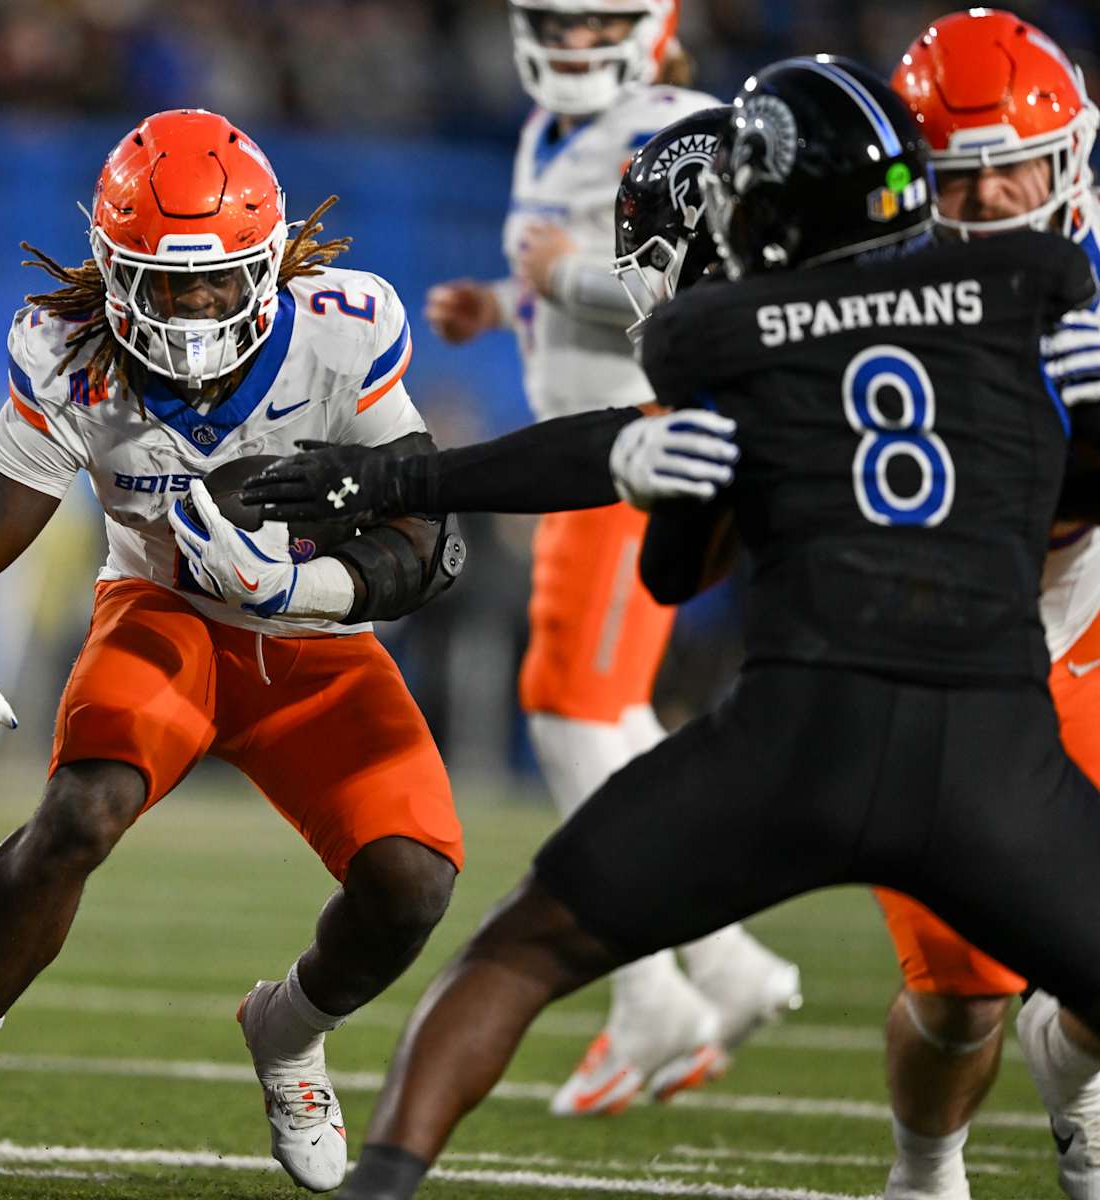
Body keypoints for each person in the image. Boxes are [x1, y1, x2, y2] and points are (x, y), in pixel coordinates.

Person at [256, 56, 1100, 1200]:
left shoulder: (725, 336)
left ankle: (382, 1185)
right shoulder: (1037, 280)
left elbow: (662, 560)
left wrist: (399, 478)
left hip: (799, 736)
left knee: (516, 953)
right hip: (990, 748)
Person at [0, 106, 485, 1194]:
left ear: (271, 264)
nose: (190, 308)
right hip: (165, 618)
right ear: (113, 268)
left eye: (218, 280)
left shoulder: (344, 328)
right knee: (79, 810)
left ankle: (288, 1031)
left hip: (318, 640)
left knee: (413, 882)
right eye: (165, 282)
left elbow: (428, 537)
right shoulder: (71, 352)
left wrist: (296, 586)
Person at [424, 0, 798, 1115]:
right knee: (604, 717)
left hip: (639, 444)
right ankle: (720, 967)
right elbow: (576, 277)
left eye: (601, 25)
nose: (577, 44)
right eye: (561, 23)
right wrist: (501, 302)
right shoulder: (549, 129)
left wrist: (560, 277)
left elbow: (713, 280)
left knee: (572, 711)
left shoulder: (687, 120)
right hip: (594, 446)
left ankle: (658, 992)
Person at [869, 13, 1100, 1200]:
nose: (1003, 195)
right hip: (930, 651)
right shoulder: (857, 309)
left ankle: (1072, 1060)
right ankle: (928, 1164)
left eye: (1025, 162)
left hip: (1088, 622)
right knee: (961, 995)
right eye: (964, 176)